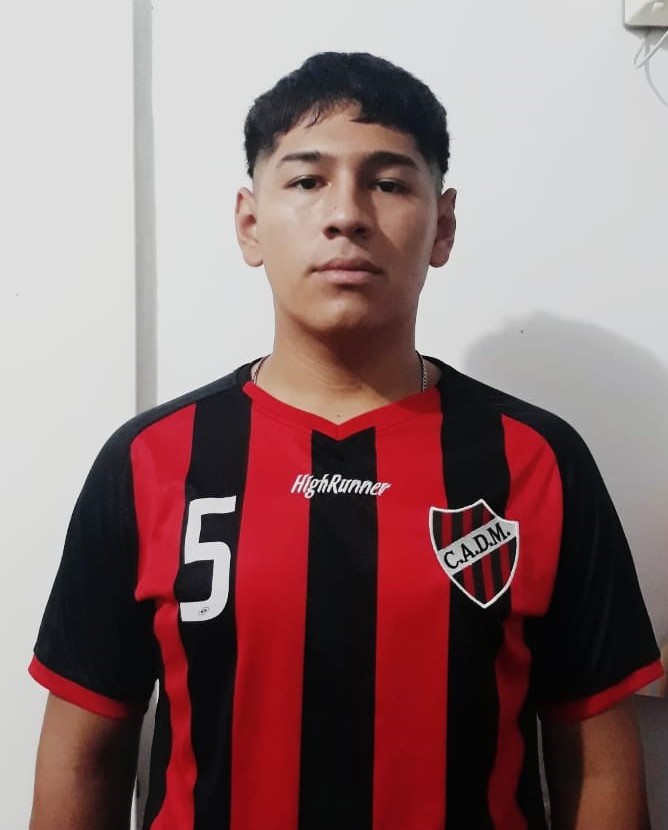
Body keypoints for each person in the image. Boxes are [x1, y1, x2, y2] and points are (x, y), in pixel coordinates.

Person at [29, 51, 663, 830]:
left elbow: (596, 761)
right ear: (250, 224)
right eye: (306, 181)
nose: (347, 214)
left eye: (388, 183)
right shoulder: (149, 462)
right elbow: (83, 757)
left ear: (443, 225)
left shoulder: (537, 462)